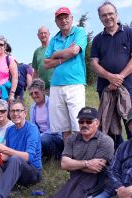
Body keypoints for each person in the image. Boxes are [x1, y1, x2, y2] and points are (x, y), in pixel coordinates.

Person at [17, 107, 114, 198]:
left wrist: (76, 164)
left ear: (97, 123)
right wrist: (87, 163)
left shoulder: (106, 141)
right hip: (75, 181)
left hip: (98, 183)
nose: (84, 124)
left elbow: (97, 168)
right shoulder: (72, 139)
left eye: (89, 121)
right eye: (81, 121)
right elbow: (64, 164)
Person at [91, 1, 132, 149]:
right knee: (110, 124)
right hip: (105, 88)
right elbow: (94, 64)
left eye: (110, 14)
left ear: (116, 14)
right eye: (104, 15)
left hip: (127, 87)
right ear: (100, 18)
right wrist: (109, 77)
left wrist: (119, 78)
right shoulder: (97, 39)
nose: (108, 17)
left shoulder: (130, 33)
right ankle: (117, 156)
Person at [44, 7, 87, 142]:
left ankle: (80, 156)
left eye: (66, 17)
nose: (63, 20)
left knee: (78, 124)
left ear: (71, 18)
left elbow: (75, 51)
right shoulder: (54, 39)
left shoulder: (79, 32)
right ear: (56, 22)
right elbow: (46, 64)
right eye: (60, 18)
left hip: (75, 84)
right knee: (64, 126)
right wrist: (64, 56)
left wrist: (55, 54)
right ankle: (68, 154)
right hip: (56, 85)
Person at [28, 78, 64, 160]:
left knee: (42, 140)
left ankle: (57, 154)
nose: (34, 95)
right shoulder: (33, 107)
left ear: (43, 91)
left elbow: (56, 129)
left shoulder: (53, 104)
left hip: (56, 136)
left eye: (36, 92)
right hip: (42, 136)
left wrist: (38, 136)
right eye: (31, 94)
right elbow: (33, 126)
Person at [32, 26, 53, 93]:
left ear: (49, 34)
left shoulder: (55, 47)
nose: (43, 35)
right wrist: (34, 86)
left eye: (45, 33)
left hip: (56, 86)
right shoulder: (37, 51)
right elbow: (35, 72)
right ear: (38, 36)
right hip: (42, 89)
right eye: (41, 33)